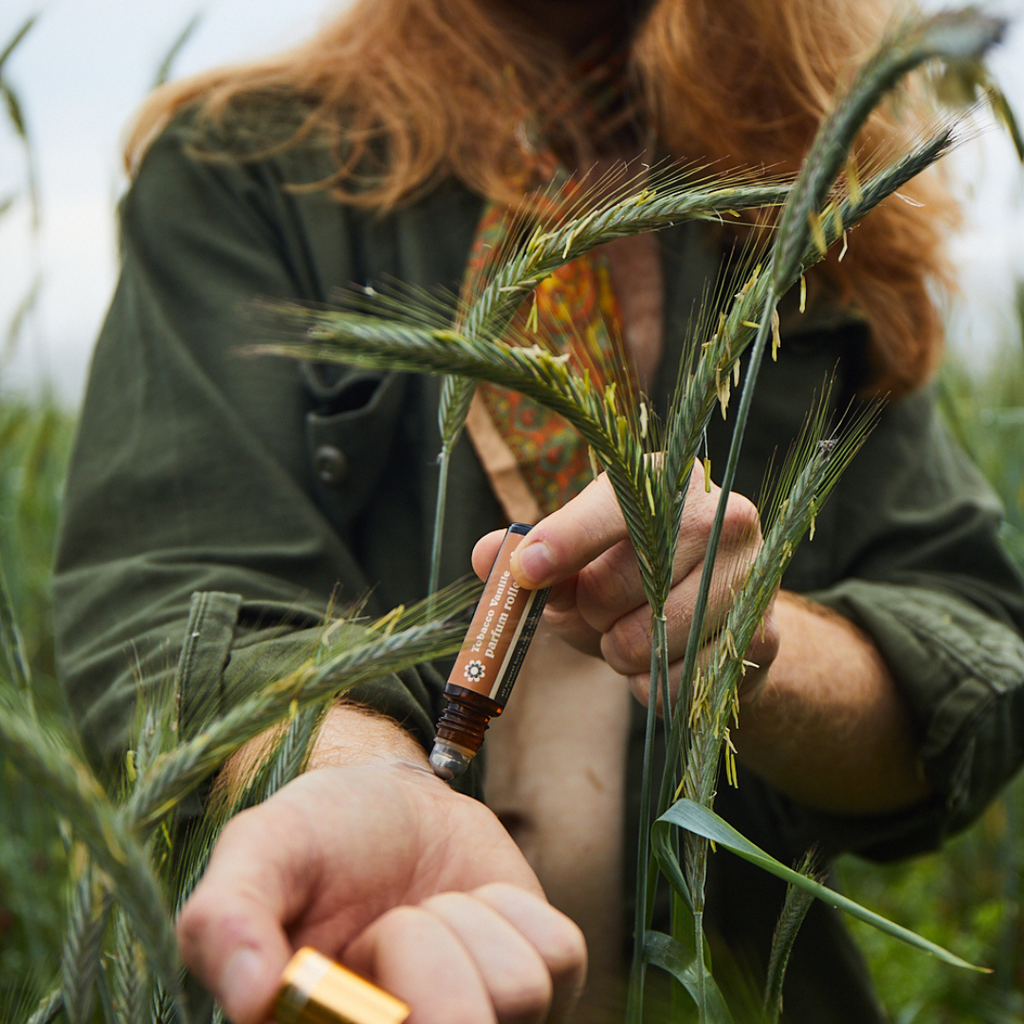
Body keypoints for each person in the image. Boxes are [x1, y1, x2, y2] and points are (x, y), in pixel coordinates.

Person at [53, 0, 1024, 1021]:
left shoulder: (806, 180)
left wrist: (759, 643)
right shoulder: (247, 169)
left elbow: (971, 666)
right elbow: (170, 598)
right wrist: (360, 778)